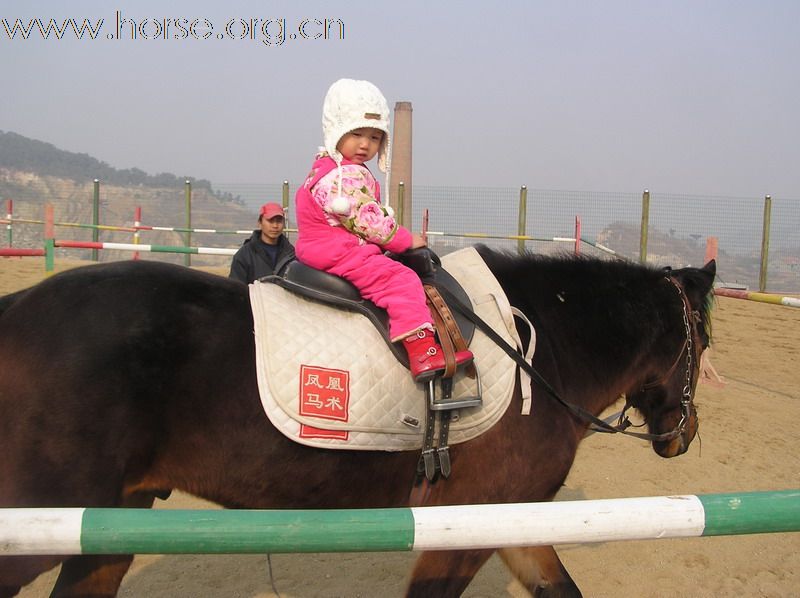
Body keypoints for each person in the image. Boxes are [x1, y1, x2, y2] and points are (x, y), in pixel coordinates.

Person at [294, 78, 472, 382]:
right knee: (400, 280)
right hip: (341, 252)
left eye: (375, 138)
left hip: (320, 249)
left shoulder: (325, 167)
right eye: (356, 134)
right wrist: (405, 239)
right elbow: (369, 222)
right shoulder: (345, 177)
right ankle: (422, 351)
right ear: (336, 131)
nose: (366, 145)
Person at [229, 202, 295, 283]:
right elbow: (235, 288)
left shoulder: (292, 255)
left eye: (279, 221)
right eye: (270, 221)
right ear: (259, 223)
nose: (275, 226)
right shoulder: (244, 256)